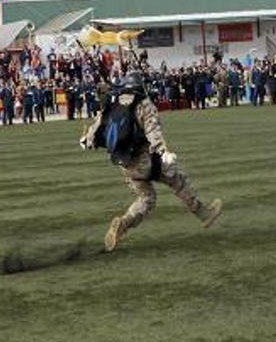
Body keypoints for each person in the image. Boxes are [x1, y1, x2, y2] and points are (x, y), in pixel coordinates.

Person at [79, 72, 222, 252]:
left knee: (147, 198)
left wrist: (85, 140)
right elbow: (153, 131)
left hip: (127, 164)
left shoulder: (113, 104)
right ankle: (203, 213)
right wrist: (163, 152)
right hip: (147, 160)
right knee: (178, 181)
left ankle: (123, 223)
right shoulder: (144, 105)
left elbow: (92, 135)